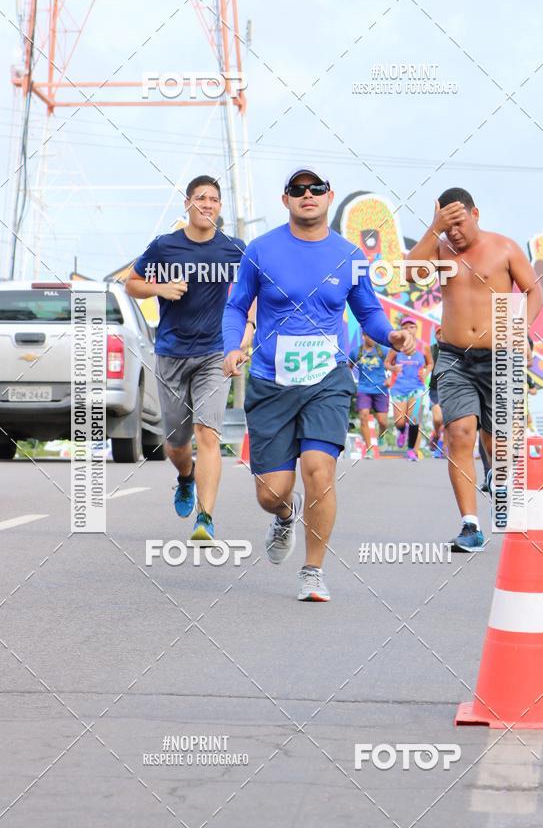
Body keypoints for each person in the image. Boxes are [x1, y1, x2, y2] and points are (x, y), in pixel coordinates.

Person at [222, 167, 415, 602]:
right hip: (271, 380)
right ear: (285, 199)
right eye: (298, 189)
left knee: (319, 471)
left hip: (326, 378)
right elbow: (236, 306)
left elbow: (369, 314)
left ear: (330, 197)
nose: (307, 195)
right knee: (271, 491)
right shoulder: (261, 250)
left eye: (316, 189)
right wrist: (232, 346)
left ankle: (313, 570)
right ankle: (284, 515)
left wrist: (392, 336)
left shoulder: (348, 257)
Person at [406, 188, 543, 551]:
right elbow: (409, 274)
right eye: (447, 226)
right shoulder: (439, 249)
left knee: (496, 442)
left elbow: (533, 291)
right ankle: (470, 526)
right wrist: (434, 229)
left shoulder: (505, 248)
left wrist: (521, 332)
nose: (455, 233)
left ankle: (495, 474)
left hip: (500, 357)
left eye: (459, 223)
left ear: (476, 213)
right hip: (453, 357)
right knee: (459, 434)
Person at [126, 175, 253, 541]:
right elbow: (131, 283)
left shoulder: (234, 248)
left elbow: (254, 288)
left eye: (214, 199)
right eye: (201, 198)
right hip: (171, 353)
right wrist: (160, 288)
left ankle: (206, 518)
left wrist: (246, 332)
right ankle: (185, 477)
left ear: (219, 207)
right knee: (177, 443)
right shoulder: (164, 246)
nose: (207, 204)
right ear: (187, 204)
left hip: (214, 353)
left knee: (207, 432)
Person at [384, 316, 431, 461]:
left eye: (412, 327)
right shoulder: (397, 347)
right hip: (399, 388)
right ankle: (401, 430)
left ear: (416, 329)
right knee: (399, 421)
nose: (408, 330)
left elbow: (430, 363)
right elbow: (386, 363)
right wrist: (393, 368)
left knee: (414, 418)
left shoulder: (423, 347)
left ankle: (411, 450)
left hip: (416, 388)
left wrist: (425, 372)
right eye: (405, 327)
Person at [349, 332, 390, 458]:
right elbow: (348, 367)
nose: (372, 338)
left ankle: (381, 436)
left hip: (381, 389)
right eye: (369, 336)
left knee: (383, 422)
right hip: (364, 389)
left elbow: (394, 365)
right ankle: (369, 449)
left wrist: (390, 379)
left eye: (373, 336)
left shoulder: (383, 351)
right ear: (364, 336)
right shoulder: (357, 352)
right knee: (363, 416)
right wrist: (349, 383)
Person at [428, 324, 445, 458]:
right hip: (435, 389)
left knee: (448, 420)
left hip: (451, 388)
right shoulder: (431, 350)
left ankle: (441, 446)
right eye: (438, 333)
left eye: (443, 332)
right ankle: (436, 433)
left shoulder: (454, 349)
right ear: (435, 335)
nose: (441, 335)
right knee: (438, 418)